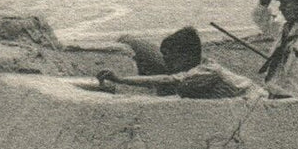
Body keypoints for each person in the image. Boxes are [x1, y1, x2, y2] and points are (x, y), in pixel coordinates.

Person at [97, 26, 265, 99]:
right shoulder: (202, 65)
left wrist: (121, 79)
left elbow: (167, 80)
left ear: (185, 56)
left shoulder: (207, 72)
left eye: (170, 57)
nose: (166, 61)